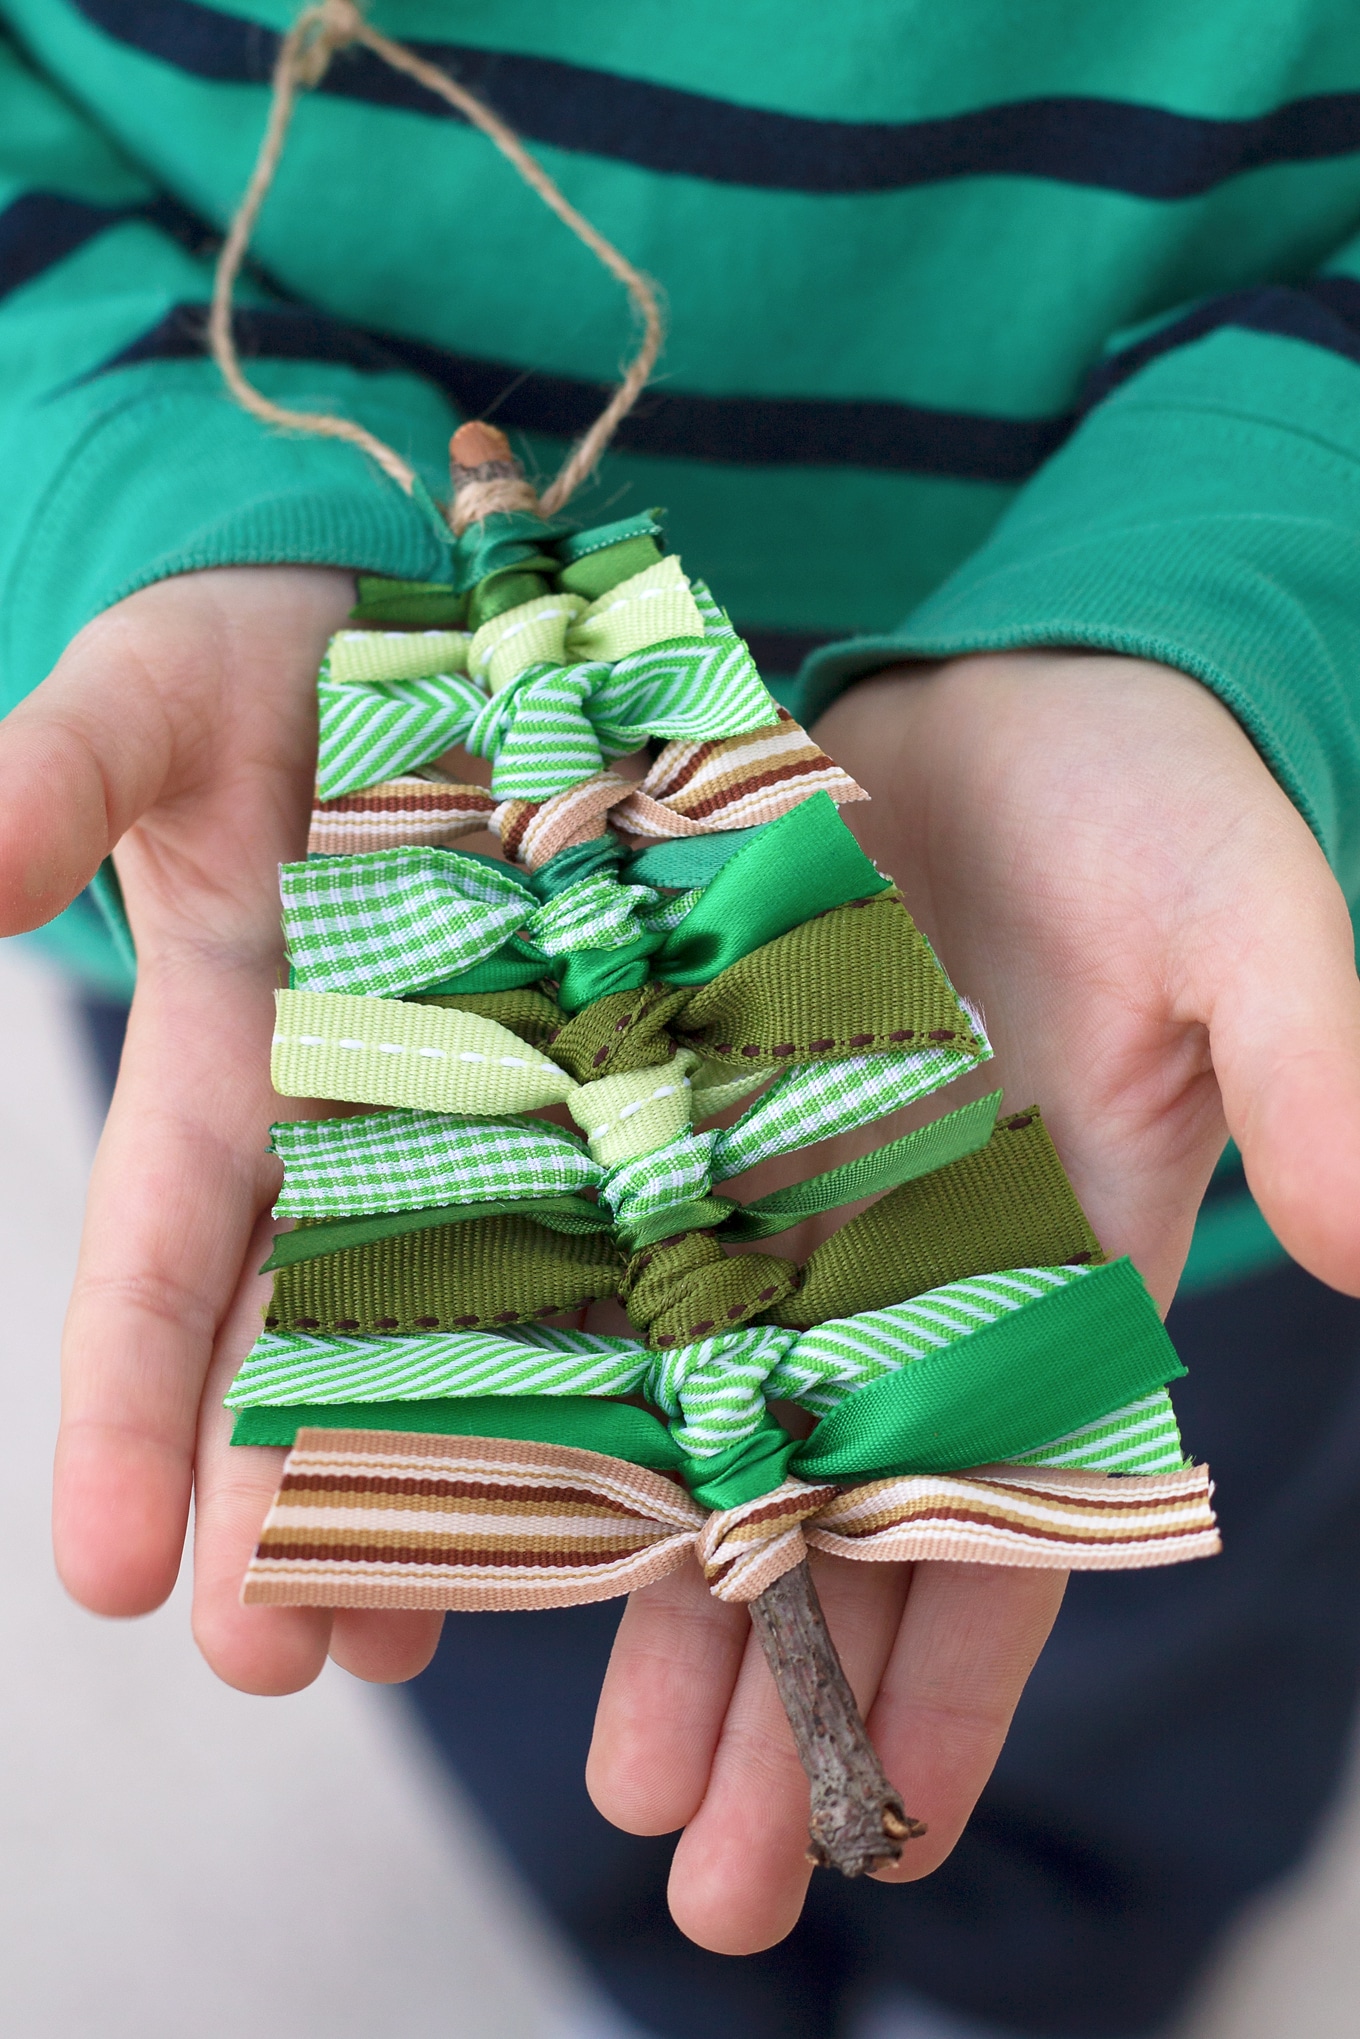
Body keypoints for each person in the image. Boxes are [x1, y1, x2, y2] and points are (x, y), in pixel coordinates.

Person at [5, 5, 1360, 2034]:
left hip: (1159, 1083)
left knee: (1160, 1658)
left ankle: (1066, 1959)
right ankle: (662, 1968)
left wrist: (1258, 582)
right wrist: (122, 484)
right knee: (534, 1671)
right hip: (325, 968)